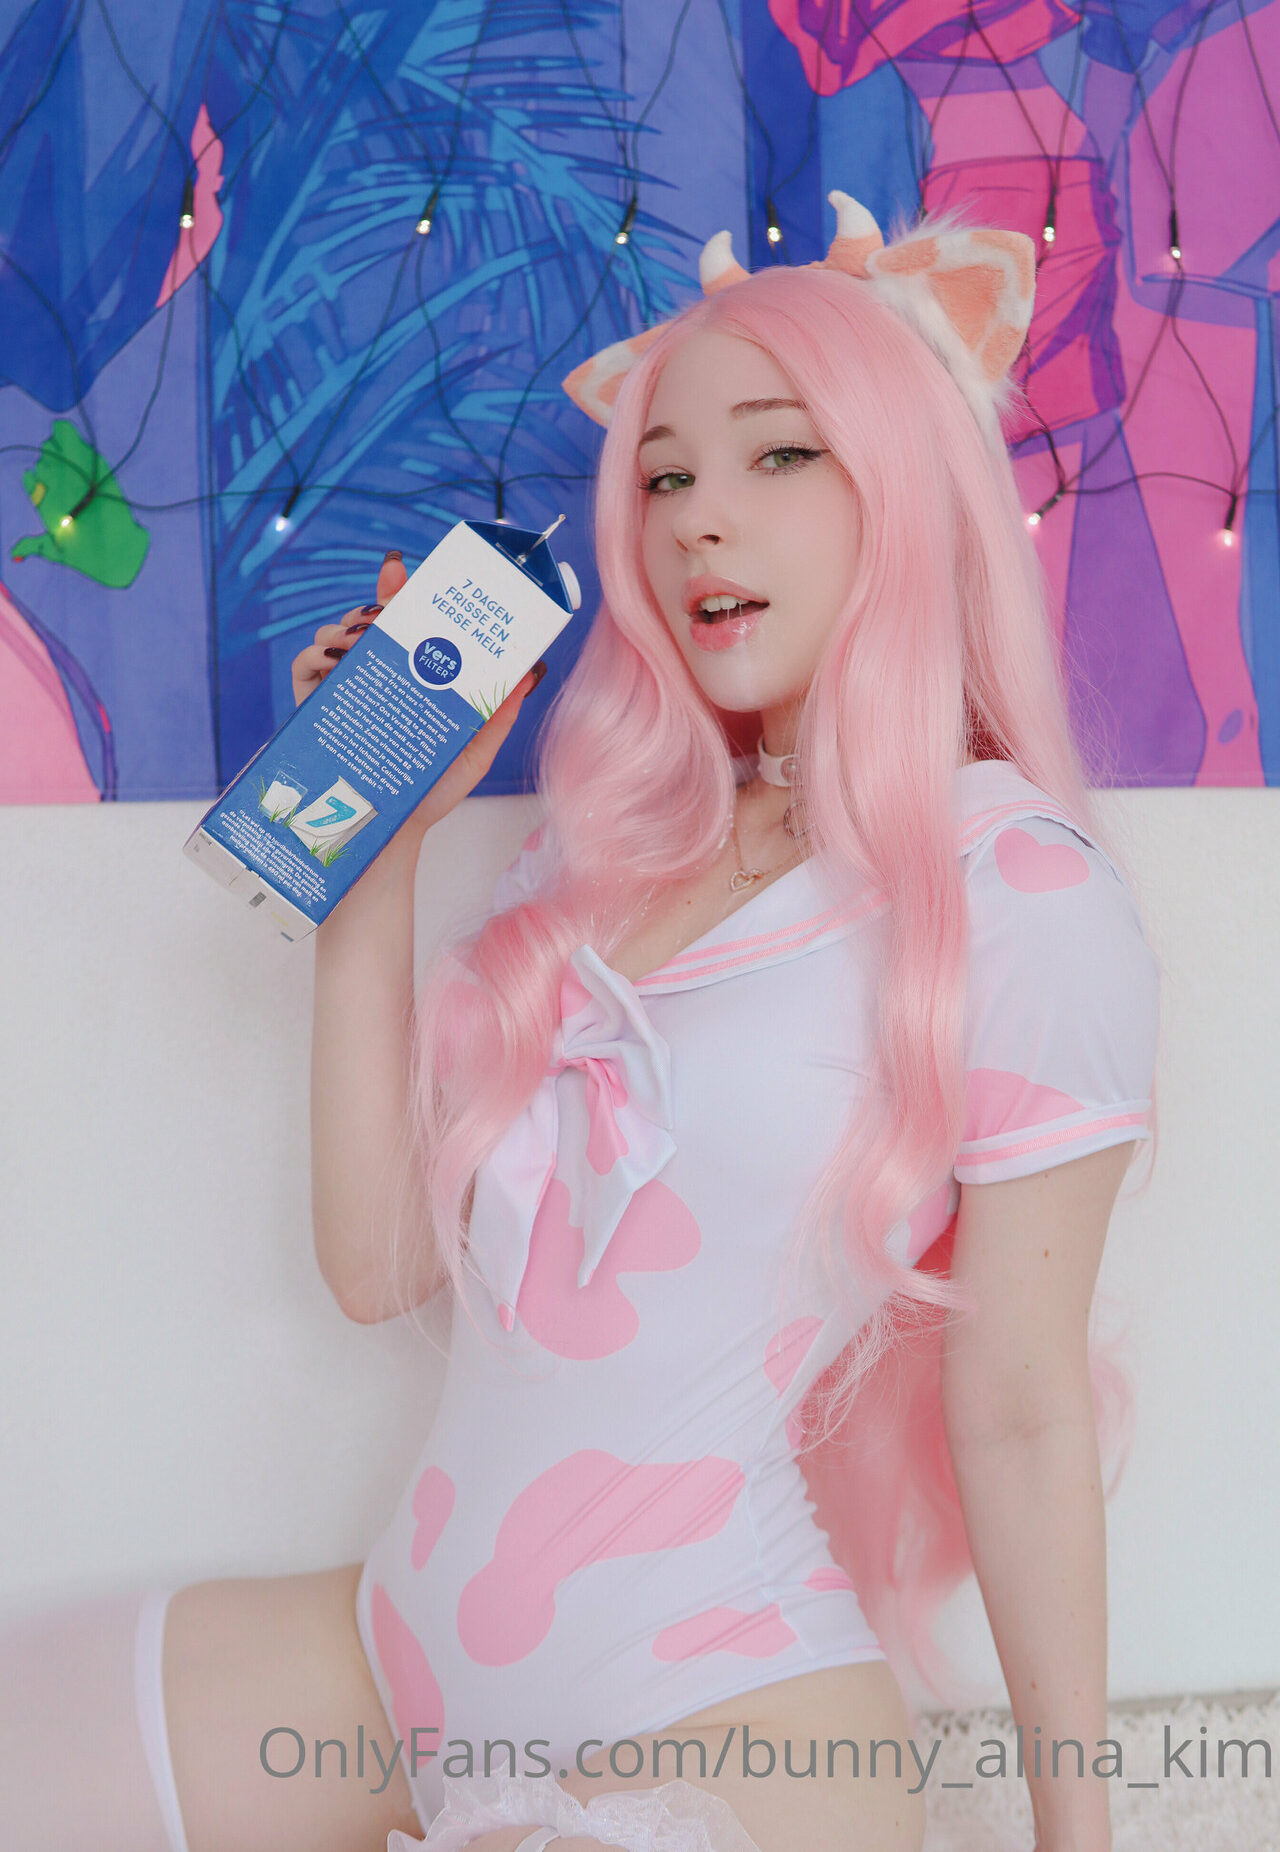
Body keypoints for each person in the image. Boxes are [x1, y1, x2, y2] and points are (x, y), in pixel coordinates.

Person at [0, 195, 1159, 1852]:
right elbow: (377, 1270)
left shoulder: (1014, 888)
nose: (699, 522)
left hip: (727, 1712)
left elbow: (1024, 1408)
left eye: (779, 456)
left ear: (908, 490)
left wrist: (1079, 1840)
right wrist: (379, 861)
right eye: (665, 478)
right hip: (392, 1662)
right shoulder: (610, 859)